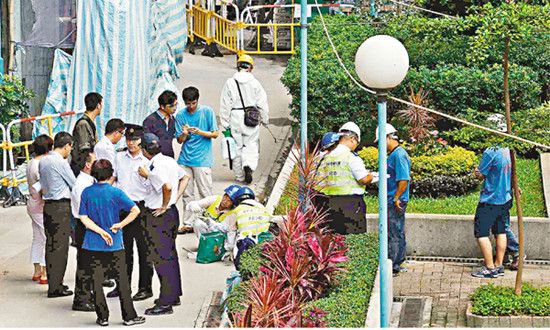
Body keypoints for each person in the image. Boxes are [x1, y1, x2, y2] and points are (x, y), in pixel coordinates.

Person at [79, 159, 145, 326]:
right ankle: (129, 316)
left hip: (92, 244)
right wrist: (119, 225)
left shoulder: (87, 192)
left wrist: (100, 231)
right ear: (110, 174)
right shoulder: (116, 193)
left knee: (96, 282)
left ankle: (102, 317)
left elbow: (83, 217)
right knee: (122, 281)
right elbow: (135, 210)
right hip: (114, 244)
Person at [138, 133, 190, 315]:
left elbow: (165, 186)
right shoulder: (168, 161)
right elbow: (185, 178)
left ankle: (165, 302)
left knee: (161, 259)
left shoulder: (156, 167)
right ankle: (173, 294)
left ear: (144, 150)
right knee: (170, 255)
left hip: (159, 215)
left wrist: (164, 204)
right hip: (170, 213)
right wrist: (173, 201)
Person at [107, 124, 154, 301]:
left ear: (141, 140)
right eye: (128, 139)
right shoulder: (119, 157)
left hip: (141, 208)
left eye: (134, 140)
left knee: (144, 250)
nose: (131, 143)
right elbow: (115, 177)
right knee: (122, 251)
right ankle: (122, 286)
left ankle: (145, 287)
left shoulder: (148, 160)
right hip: (122, 209)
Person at [471, 114, 515, 278]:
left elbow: (480, 174)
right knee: (500, 231)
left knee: (481, 232)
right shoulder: (508, 149)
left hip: (490, 199)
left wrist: (477, 172)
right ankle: (498, 264)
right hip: (505, 198)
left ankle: (489, 268)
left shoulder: (491, 151)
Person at [175, 87, 219, 235]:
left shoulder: (207, 112)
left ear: (197, 100)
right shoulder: (180, 115)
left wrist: (199, 132)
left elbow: (215, 134)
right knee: (187, 194)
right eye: (188, 104)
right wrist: (185, 133)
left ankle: (209, 222)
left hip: (202, 160)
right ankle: (187, 223)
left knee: (205, 193)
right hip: (185, 159)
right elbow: (179, 140)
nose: (191, 106)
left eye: (193, 103)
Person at [316, 122, 374, 235]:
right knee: (352, 239)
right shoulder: (351, 157)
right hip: (350, 205)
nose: (356, 145)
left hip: (327, 204)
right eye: (357, 142)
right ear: (352, 139)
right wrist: (371, 176)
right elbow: (363, 179)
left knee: (333, 240)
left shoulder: (326, 156)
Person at [220, 54, 269, 184]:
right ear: (251, 68)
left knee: (237, 147)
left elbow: (225, 104)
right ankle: (248, 165)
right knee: (251, 144)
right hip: (250, 117)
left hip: (235, 117)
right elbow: (262, 102)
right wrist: (265, 119)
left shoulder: (230, 82)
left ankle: (239, 176)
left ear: (238, 66)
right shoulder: (255, 83)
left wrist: (225, 123)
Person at [38, 131, 76, 297]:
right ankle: (56, 286)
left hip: (48, 206)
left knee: (51, 245)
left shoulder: (44, 160)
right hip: (61, 206)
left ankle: (53, 283)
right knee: (60, 247)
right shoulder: (60, 162)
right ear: (67, 146)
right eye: (70, 147)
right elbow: (73, 183)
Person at [375, 123, 411, 276]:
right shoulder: (394, 154)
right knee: (397, 230)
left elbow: (404, 179)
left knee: (394, 233)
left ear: (388, 137)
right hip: (392, 198)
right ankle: (397, 262)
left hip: (395, 199)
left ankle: (394, 265)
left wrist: (396, 197)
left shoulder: (399, 155)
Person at [70, 151, 97, 312]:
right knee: (85, 263)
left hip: (87, 225)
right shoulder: (82, 185)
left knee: (90, 263)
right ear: (88, 165)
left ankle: (88, 294)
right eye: (95, 161)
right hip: (84, 225)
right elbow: (85, 212)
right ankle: (82, 298)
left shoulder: (89, 181)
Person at [26, 134, 53, 285]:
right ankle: (44, 272)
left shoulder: (31, 163)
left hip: (32, 202)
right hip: (40, 204)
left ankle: (37, 270)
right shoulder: (41, 165)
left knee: (37, 238)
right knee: (46, 237)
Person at [223, 186, 271, 268]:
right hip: (263, 240)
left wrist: (229, 249)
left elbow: (231, 231)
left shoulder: (236, 210)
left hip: (245, 241)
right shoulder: (263, 208)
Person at [71, 92, 102, 176]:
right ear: (98, 105)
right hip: (83, 168)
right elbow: (84, 149)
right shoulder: (83, 123)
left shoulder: (89, 121)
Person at [143, 91, 177, 158]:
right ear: (162, 106)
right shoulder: (150, 120)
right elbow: (145, 143)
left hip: (169, 158)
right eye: (171, 106)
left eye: (176, 104)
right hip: (155, 160)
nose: (175, 108)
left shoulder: (172, 119)